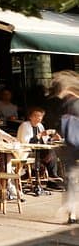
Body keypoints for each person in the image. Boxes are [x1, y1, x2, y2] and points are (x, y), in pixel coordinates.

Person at [53, 70, 79, 224]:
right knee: (70, 178)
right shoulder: (69, 104)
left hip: (71, 146)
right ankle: (72, 211)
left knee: (70, 179)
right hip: (72, 146)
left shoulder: (69, 104)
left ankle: (72, 211)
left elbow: (61, 125)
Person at [17, 107, 62, 188]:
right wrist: (41, 134)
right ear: (30, 117)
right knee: (50, 153)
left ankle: (51, 177)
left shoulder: (40, 126)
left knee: (51, 152)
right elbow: (27, 142)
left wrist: (53, 138)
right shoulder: (25, 125)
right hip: (27, 152)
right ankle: (52, 179)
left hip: (39, 152)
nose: (38, 118)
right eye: (36, 116)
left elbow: (44, 140)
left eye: (40, 116)